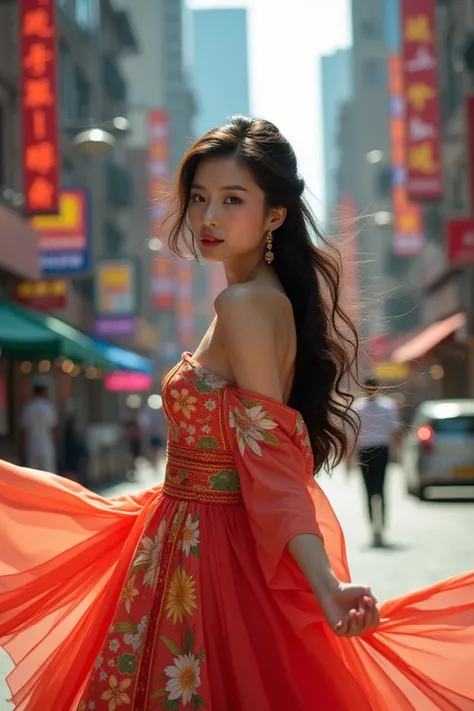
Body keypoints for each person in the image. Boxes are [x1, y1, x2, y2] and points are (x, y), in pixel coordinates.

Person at [0, 118, 473, 711]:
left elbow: (272, 454)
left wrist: (324, 586)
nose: (208, 218)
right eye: (198, 198)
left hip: (204, 557)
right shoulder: (261, 297)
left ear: (274, 215)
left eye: (232, 200)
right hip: (190, 538)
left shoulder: (247, 303)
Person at [354, 377, 402, 547]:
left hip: (380, 449)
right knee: (369, 490)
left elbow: (395, 430)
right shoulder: (359, 407)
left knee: (380, 489)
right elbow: (353, 433)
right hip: (366, 450)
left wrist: (397, 451)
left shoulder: (387, 406)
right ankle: (373, 526)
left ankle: (380, 526)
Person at [19, 381, 57, 473]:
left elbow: (24, 430)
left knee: (33, 473)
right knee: (48, 473)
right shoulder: (48, 407)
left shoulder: (28, 407)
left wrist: (23, 446)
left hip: (32, 444)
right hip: (46, 444)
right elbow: (53, 428)